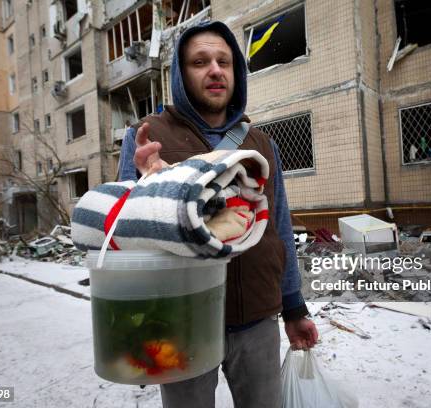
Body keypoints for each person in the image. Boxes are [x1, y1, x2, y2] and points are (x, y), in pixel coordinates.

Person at [119, 21, 318, 408]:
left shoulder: (261, 144)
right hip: (182, 323)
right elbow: (125, 238)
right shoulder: (147, 136)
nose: (215, 70)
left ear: (235, 73)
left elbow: (279, 228)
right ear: (181, 73)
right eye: (200, 61)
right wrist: (148, 189)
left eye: (224, 61)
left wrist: (294, 307)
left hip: (258, 319)